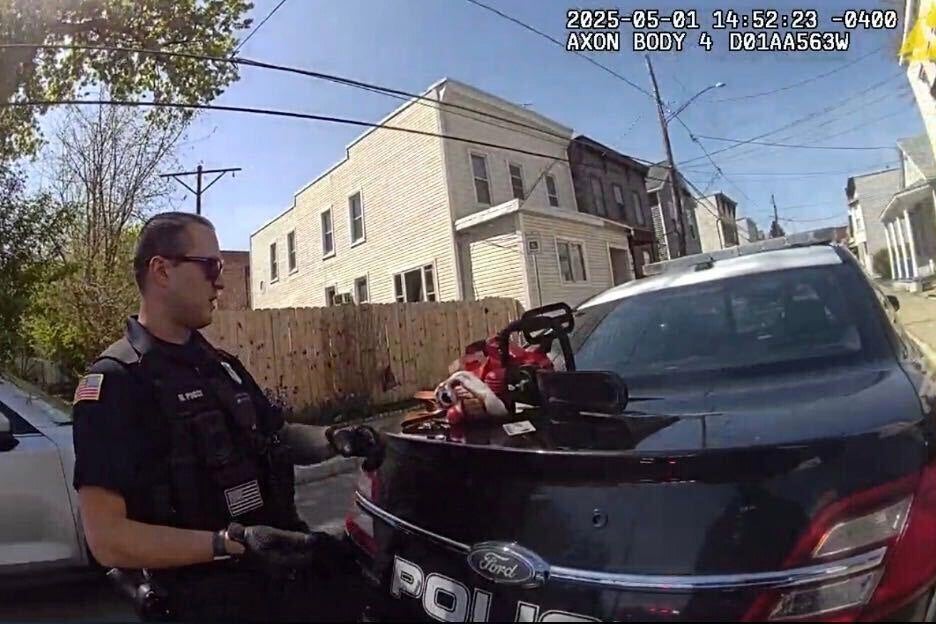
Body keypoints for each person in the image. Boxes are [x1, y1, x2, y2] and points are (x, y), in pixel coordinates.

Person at [71, 212, 379, 622]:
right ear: (161, 270)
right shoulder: (115, 383)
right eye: (210, 266)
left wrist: (336, 438)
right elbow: (108, 539)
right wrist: (229, 543)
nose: (221, 281)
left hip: (285, 579)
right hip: (206, 601)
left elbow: (277, 436)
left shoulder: (221, 366)